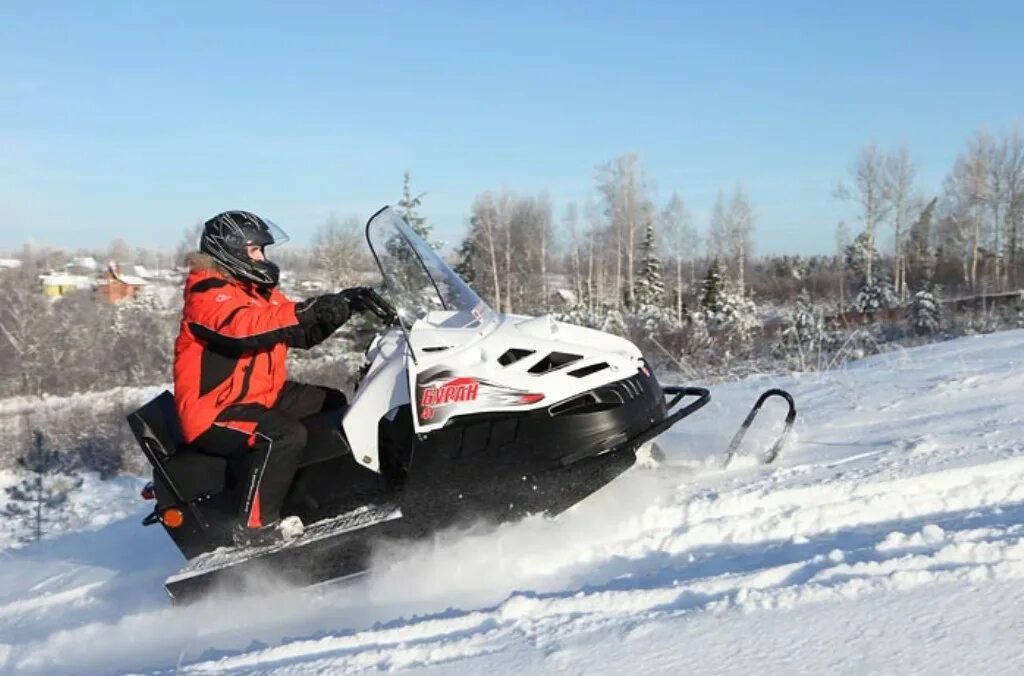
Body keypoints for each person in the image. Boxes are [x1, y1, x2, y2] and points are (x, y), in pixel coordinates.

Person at [173, 210, 375, 546]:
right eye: (255, 251)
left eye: (263, 251)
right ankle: (254, 528)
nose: (262, 258)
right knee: (282, 435)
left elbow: (299, 331)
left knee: (332, 403)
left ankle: (325, 495)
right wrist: (306, 311)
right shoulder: (207, 293)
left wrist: (345, 305)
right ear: (230, 251)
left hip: (262, 396)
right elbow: (244, 328)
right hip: (216, 413)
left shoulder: (254, 292)